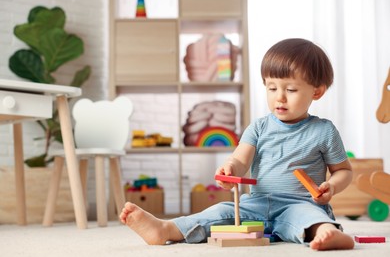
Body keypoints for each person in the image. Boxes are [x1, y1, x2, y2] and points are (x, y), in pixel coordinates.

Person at [120, 38, 355, 251]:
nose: (279, 97)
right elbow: (241, 160)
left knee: (309, 218)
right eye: (271, 88)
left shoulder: (323, 131)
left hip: (299, 203)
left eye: (290, 89)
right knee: (219, 213)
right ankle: (165, 230)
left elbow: (343, 170)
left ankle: (328, 233)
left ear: (317, 91)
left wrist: (331, 187)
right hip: (256, 204)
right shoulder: (259, 127)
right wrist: (229, 169)